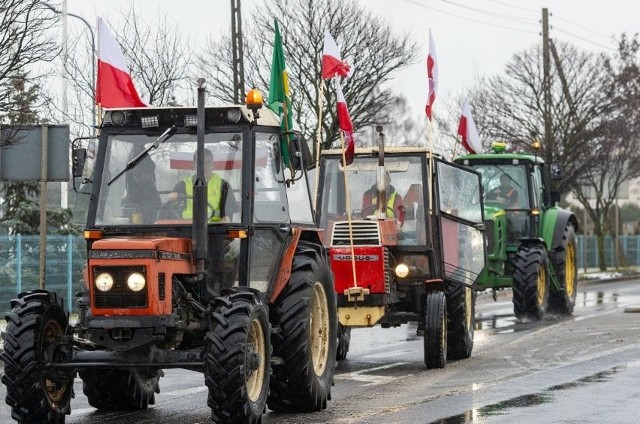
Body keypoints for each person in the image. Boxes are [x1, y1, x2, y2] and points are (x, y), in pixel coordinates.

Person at [167, 149, 236, 222]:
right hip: (189, 227)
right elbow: (174, 197)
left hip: (216, 228)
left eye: (208, 163)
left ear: (213, 164)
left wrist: (227, 217)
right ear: (194, 164)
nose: (204, 166)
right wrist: (173, 196)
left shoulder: (224, 185)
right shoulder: (184, 184)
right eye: (200, 162)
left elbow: (229, 207)